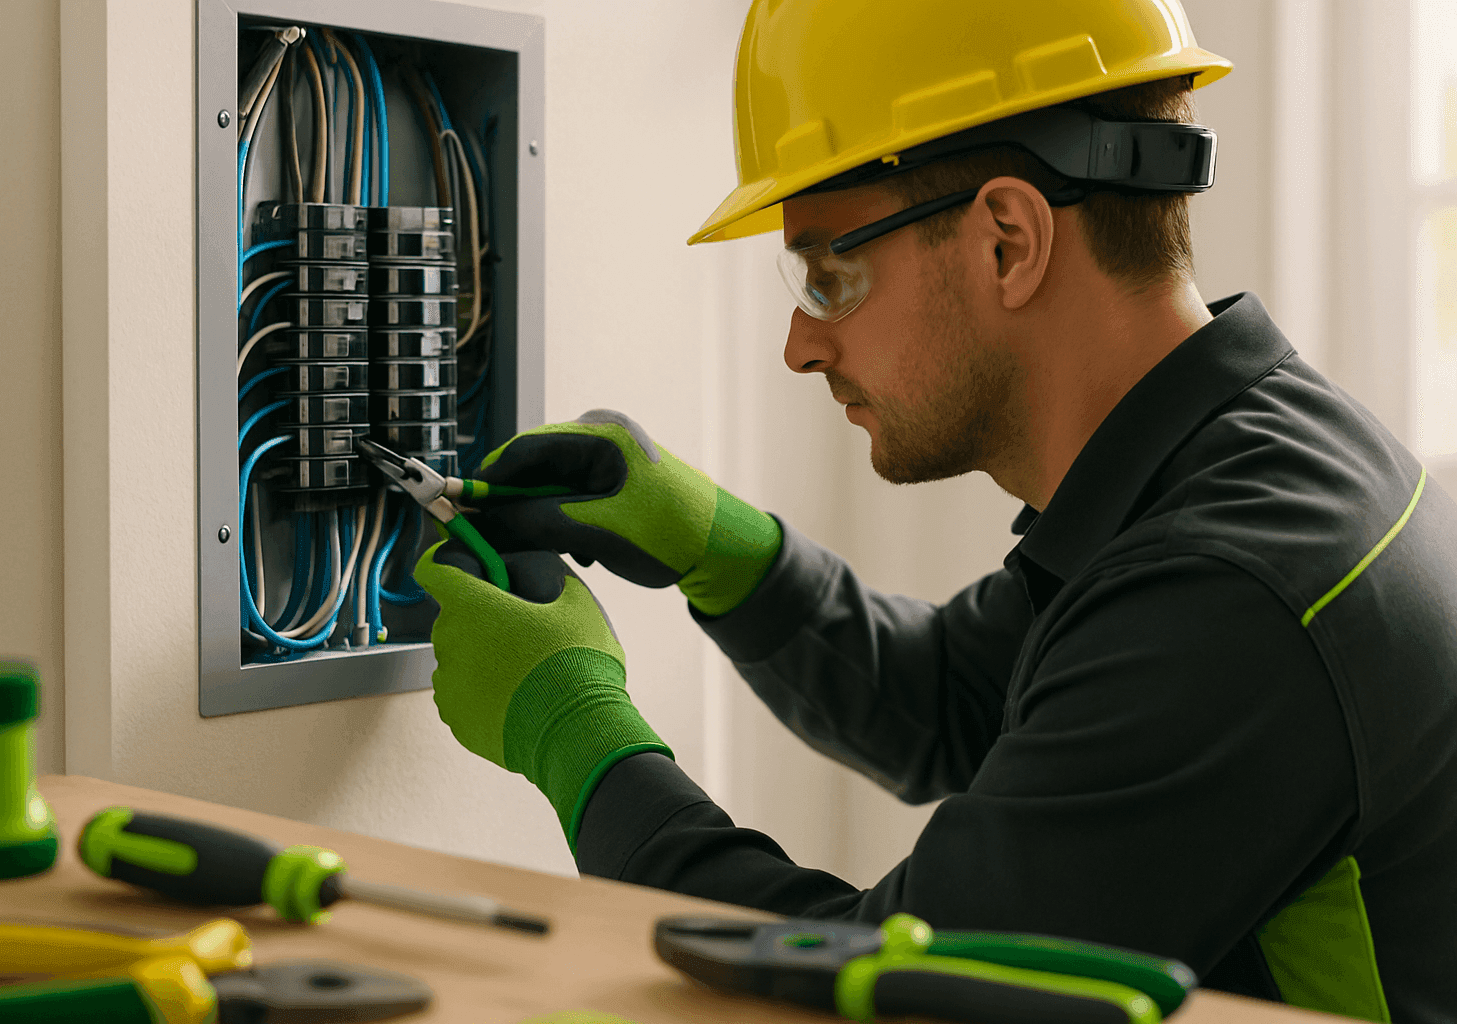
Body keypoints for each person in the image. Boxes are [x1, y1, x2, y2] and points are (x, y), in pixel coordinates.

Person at [412, 2, 1457, 1021]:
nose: (800, 346)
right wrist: (718, 546)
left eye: (830, 274)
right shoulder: (1250, 459)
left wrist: (573, 730)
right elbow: (956, 697)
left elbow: (888, 998)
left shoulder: (1231, 595)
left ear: (1007, 239)